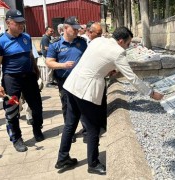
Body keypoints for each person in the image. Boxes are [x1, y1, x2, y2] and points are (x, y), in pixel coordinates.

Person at [55, 27, 163, 174]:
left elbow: (96, 60)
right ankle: (93, 163)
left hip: (72, 83)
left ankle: (62, 158)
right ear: (120, 41)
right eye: (128, 43)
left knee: (70, 123)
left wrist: (107, 69)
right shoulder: (118, 52)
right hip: (86, 89)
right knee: (93, 128)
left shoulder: (98, 40)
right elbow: (132, 78)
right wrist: (151, 93)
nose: (128, 46)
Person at [0, 9, 44, 152]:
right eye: (18, 23)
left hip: (29, 77)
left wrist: (36, 70)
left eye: (23, 22)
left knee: (37, 107)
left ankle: (37, 129)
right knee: (12, 110)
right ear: (8, 23)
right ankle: (17, 138)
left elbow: (30, 56)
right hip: (11, 79)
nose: (22, 25)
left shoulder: (26, 37)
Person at [46, 16, 87, 141]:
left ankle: (86, 130)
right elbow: (49, 62)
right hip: (64, 81)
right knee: (67, 106)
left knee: (83, 105)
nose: (76, 31)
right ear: (65, 28)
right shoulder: (55, 44)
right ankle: (70, 132)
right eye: (73, 29)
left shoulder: (82, 42)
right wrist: (63, 65)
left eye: (77, 29)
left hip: (80, 80)